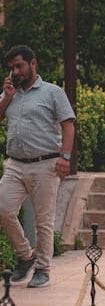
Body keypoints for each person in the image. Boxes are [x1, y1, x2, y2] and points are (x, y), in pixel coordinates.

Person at [0, 45, 75, 288]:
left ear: (33, 63)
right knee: (3, 209)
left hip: (46, 164)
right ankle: (25, 256)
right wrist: (7, 97)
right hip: (15, 164)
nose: (15, 72)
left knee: (43, 221)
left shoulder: (52, 92)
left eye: (19, 66)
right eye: (12, 68)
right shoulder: (10, 93)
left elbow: (68, 125)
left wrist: (65, 157)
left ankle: (43, 269)